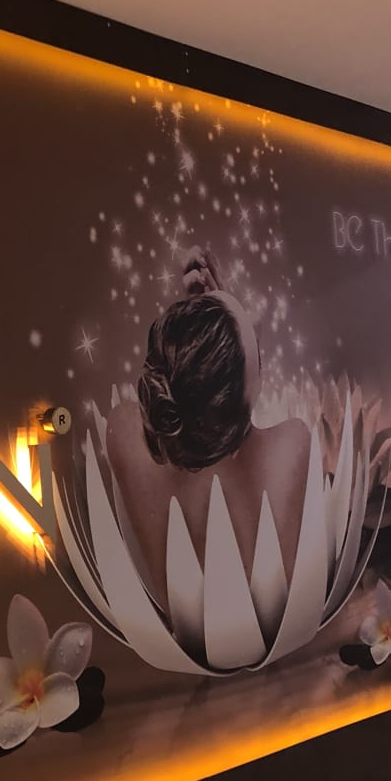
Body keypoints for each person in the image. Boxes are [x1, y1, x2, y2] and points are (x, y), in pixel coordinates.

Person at [106, 250, 311, 613]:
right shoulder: (290, 446)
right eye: (257, 353)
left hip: (170, 642)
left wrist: (195, 344)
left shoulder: (122, 434)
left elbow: (197, 409)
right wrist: (224, 328)